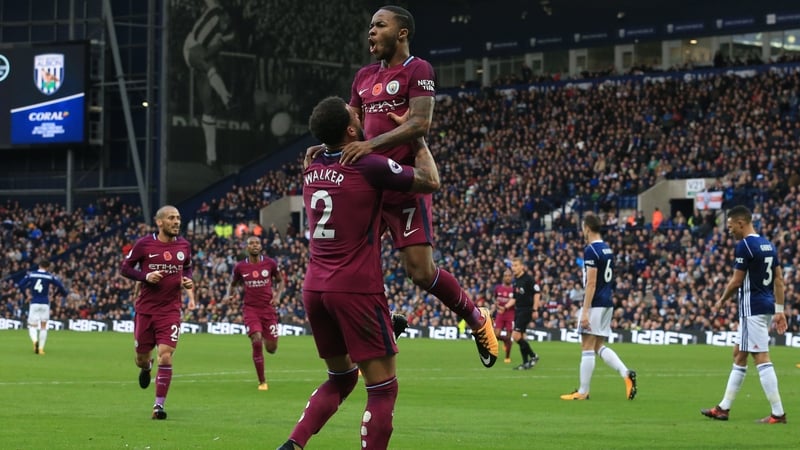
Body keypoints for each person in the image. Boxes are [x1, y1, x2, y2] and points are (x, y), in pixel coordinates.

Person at [277, 96, 440, 450]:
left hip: (315, 288)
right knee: (383, 389)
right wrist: (416, 136)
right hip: (355, 288)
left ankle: (293, 443)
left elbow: (329, 146)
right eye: (356, 114)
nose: (363, 114)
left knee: (341, 378)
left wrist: (324, 142)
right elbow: (430, 180)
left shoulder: (311, 164)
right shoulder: (369, 165)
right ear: (352, 129)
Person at [341, 4, 497, 367]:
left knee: (421, 273)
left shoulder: (418, 69)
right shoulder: (363, 76)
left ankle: (476, 318)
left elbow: (420, 124)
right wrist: (331, 142)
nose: (371, 32)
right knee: (351, 260)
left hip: (406, 182)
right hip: (370, 186)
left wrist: (369, 145)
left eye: (380, 25)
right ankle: (385, 319)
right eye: (370, 26)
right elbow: (352, 123)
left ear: (402, 33)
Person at [701, 205, 787, 424]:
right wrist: (780, 310)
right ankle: (723, 408)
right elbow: (778, 280)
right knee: (739, 354)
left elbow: (736, 281)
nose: (729, 231)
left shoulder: (745, 246)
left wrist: (721, 300)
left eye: (731, 226)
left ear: (741, 223)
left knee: (761, 358)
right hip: (766, 306)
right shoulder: (768, 245)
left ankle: (778, 413)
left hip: (752, 309)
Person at [120, 205, 196, 420]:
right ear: (160, 222)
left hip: (170, 311)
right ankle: (146, 367)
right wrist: (145, 276)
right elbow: (125, 268)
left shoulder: (184, 246)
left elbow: (188, 267)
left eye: (178, 218)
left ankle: (158, 406)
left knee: (166, 355)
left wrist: (187, 279)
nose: (176, 222)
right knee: (141, 359)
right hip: (145, 310)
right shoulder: (145, 244)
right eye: (171, 218)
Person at [560, 213, 637, 401]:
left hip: (595, 304)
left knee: (586, 346)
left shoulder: (591, 251)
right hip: (607, 302)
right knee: (598, 345)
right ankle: (625, 373)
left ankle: (583, 391)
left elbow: (591, 283)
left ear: (587, 228)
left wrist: (584, 311)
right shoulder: (607, 249)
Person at [223, 235, 285, 391]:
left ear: (261, 246)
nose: (255, 245)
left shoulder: (270, 263)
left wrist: (277, 296)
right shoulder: (240, 267)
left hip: (268, 310)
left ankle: (265, 334)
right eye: (252, 243)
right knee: (256, 340)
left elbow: (281, 280)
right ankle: (262, 381)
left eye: (257, 243)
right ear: (247, 247)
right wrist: (229, 295)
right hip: (250, 310)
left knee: (271, 348)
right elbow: (233, 283)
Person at [183, 0, 235, 169]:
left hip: (203, 59)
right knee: (208, 63)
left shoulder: (226, 36)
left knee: (209, 109)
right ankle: (226, 97)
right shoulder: (215, 8)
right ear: (224, 13)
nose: (227, 23)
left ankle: (211, 157)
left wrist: (219, 44)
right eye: (227, 19)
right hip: (190, 47)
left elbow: (209, 54)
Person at [18, 259, 67, 355]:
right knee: (43, 326)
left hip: (34, 302)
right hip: (45, 303)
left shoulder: (31, 274)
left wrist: (26, 295)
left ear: (39, 265)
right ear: (47, 267)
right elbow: (61, 287)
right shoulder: (49, 276)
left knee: (32, 325)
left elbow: (20, 285)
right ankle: (41, 349)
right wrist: (54, 295)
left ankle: (35, 341)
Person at [510, 257, 541, 370]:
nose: (514, 268)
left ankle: (533, 356)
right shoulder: (516, 281)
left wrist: (535, 309)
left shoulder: (528, 279)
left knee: (516, 336)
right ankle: (525, 363)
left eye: (516, 265)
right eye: (513, 266)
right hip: (518, 310)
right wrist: (504, 307)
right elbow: (514, 298)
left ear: (522, 266)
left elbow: (537, 293)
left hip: (526, 310)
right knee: (521, 336)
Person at [492, 268, 516, 364]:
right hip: (500, 315)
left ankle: (507, 357)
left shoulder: (514, 289)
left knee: (509, 337)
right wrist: (496, 304)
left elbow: (516, 301)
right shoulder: (498, 288)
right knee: (496, 335)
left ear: (512, 277)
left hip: (510, 315)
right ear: (503, 277)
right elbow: (494, 299)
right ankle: (506, 342)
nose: (507, 278)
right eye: (506, 276)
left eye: (509, 276)